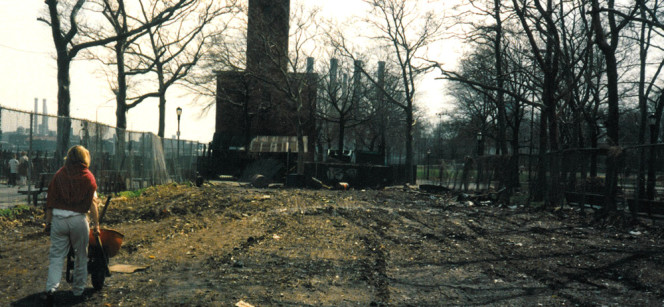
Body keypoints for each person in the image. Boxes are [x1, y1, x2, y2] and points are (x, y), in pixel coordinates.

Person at [43, 146, 100, 304]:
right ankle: (78, 291)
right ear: (85, 158)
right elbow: (93, 204)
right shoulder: (88, 177)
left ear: (68, 157)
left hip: (59, 220)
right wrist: (96, 225)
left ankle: (51, 288)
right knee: (81, 255)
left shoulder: (59, 175)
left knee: (56, 256)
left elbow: (50, 202)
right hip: (78, 221)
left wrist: (48, 222)